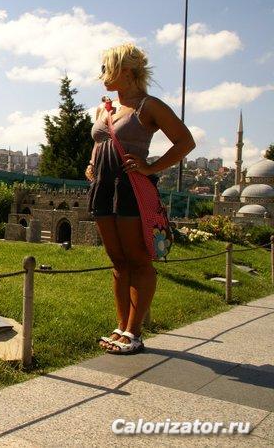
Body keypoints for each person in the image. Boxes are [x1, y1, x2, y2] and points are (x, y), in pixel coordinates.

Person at [86, 43, 195, 354]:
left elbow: (185, 141)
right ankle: (121, 326)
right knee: (118, 261)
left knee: (137, 260)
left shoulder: (149, 106)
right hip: (103, 189)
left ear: (125, 71)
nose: (102, 75)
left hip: (130, 189)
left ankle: (134, 332)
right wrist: (92, 164)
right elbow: (101, 141)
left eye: (107, 68)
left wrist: (150, 167)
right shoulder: (105, 109)